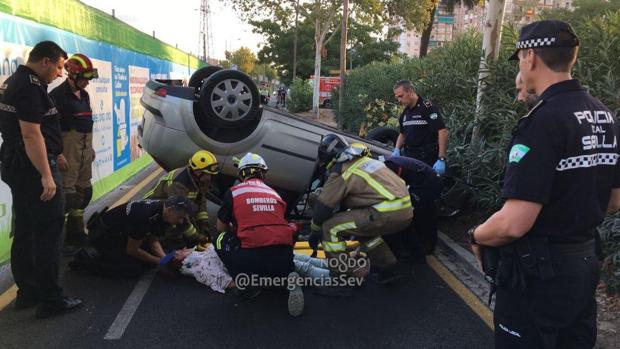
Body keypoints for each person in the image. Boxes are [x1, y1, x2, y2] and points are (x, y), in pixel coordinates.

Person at [468, 20, 620, 348]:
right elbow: (612, 202)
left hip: (539, 276)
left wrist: (476, 235)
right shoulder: (605, 116)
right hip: (583, 266)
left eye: (520, 57)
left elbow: (513, 224)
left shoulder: (542, 122)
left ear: (531, 56)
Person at [0, 41, 84, 318]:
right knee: (49, 232)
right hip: (31, 169)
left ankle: (29, 292)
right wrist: (47, 176)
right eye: (59, 66)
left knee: (25, 229)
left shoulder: (16, 81)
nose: (61, 73)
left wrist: (56, 153)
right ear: (45, 61)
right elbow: (31, 134)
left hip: (20, 165)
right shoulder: (30, 86)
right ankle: (51, 299)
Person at [309, 134, 413, 291]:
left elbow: (323, 207)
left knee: (330, 227)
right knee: (361, 229)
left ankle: (342, 276)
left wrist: (315, 232)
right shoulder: (364, 161)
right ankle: (388, 268)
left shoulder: (340, 170)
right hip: (405, 212)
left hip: (386, 213)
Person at [214, 152, 303, 316]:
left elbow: (221, 226)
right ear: (263, 173)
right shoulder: (275, 194)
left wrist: (236, 235)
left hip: (251, 259)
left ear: (241, 174)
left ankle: (245, 284)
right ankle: (286, 277)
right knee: (280, 240)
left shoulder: (234, 192)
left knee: (218, 238)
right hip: (284, 258)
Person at [72, 196, 197, 278]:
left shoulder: (163, 212)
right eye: (179, 217)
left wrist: (164, 259)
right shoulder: (144, 215)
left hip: (126, 232)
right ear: (170, 210)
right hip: (105, 236)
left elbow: (153, 239)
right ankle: (85, 259)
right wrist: (159, 261)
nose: (181, 221)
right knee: (132, 270)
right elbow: (132, 250)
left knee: (156, 254)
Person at [49, 53, 99, 246]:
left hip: (85, 147)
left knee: (84, 192)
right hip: (67, 149)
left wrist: (91, 148)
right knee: (67, 197)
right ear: (73, 75)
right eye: (85, 79)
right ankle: (57, 240)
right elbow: (51, 128)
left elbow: (86, 122)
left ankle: (75, 233)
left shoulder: (84, 95)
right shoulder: (57, 97)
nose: (87, 83)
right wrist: (58, 153)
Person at [144, 149, 218, 249]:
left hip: (176, 209)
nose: (209, 178)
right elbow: (178, 215)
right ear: (196, 171)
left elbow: (201, 203)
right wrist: (197, 237)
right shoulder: (178, 184)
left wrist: (204, 227)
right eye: (206, 174)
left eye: (211, 174)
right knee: (175, 235)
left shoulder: (200, 179)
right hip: (155, 212)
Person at [384, 155, 443, 262]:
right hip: (419, 180)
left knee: (422, 214)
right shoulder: (385, 165)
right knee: (416, 213)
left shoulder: (390, 167)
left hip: (428, 182)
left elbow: (397, 185)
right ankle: (417, 245)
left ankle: (427, 247)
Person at [392, 80, 449, 175]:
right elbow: (402, 134)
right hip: (410, 157)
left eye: (401, 96)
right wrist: (397, 149)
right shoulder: (405, 113)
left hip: (427, 158)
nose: (399, 100)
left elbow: (442, 131)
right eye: (397, 97)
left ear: (410, 91)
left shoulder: (427, 108)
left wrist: (441, 158)